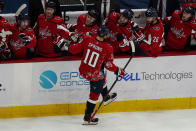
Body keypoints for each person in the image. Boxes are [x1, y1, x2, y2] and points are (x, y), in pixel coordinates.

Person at [68, 26, 126, 124]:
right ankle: (87, 117)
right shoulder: (108, 47)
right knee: (94, 95)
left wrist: (70, 44)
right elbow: (108, 65)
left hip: (83, 70)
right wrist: (117, 70)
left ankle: (106, 97)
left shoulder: (87, 39)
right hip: (94, 75)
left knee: (102, 74)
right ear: (106, 36)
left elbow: (73, 50)